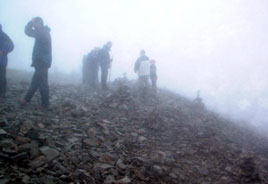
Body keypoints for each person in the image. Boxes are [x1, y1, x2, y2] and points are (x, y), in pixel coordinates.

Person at [22, 17, 52, 108]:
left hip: (42, 61)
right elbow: (29, 32)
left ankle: (45, 104)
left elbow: (28, 32)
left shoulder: (42, 32)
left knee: (42, 83)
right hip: (42, 61)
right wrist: (32, 23)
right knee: (36, 82)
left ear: (39, 24)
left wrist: (30, 22)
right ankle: (27, 99)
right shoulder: (43, 31)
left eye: (35, 24)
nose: (34, 26)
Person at [0, 24, 14, 98]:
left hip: (1, 61)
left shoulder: (4, 36)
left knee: (1, 76)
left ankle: (2, 92)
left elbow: (11, 45)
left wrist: (3, 51)